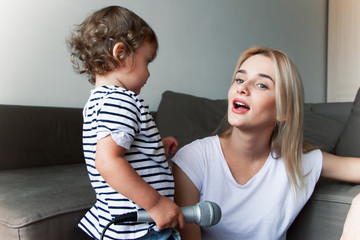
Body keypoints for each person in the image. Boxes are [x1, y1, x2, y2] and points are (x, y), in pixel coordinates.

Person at [171, 46, 360, 240]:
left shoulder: (298, 162)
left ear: (283, 111)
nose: (242, 88)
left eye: (261, 85)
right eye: (239, 79)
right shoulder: (193, 160)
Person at [68, 6, 184, 240]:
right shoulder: (121, 100)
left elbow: (122, 151)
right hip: (139, 226)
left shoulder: (98, 101)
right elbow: (107, 161)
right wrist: (156, 204)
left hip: (124, 223)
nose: (149, 74)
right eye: (147, 61)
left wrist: (156, 147)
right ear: (120, 53)